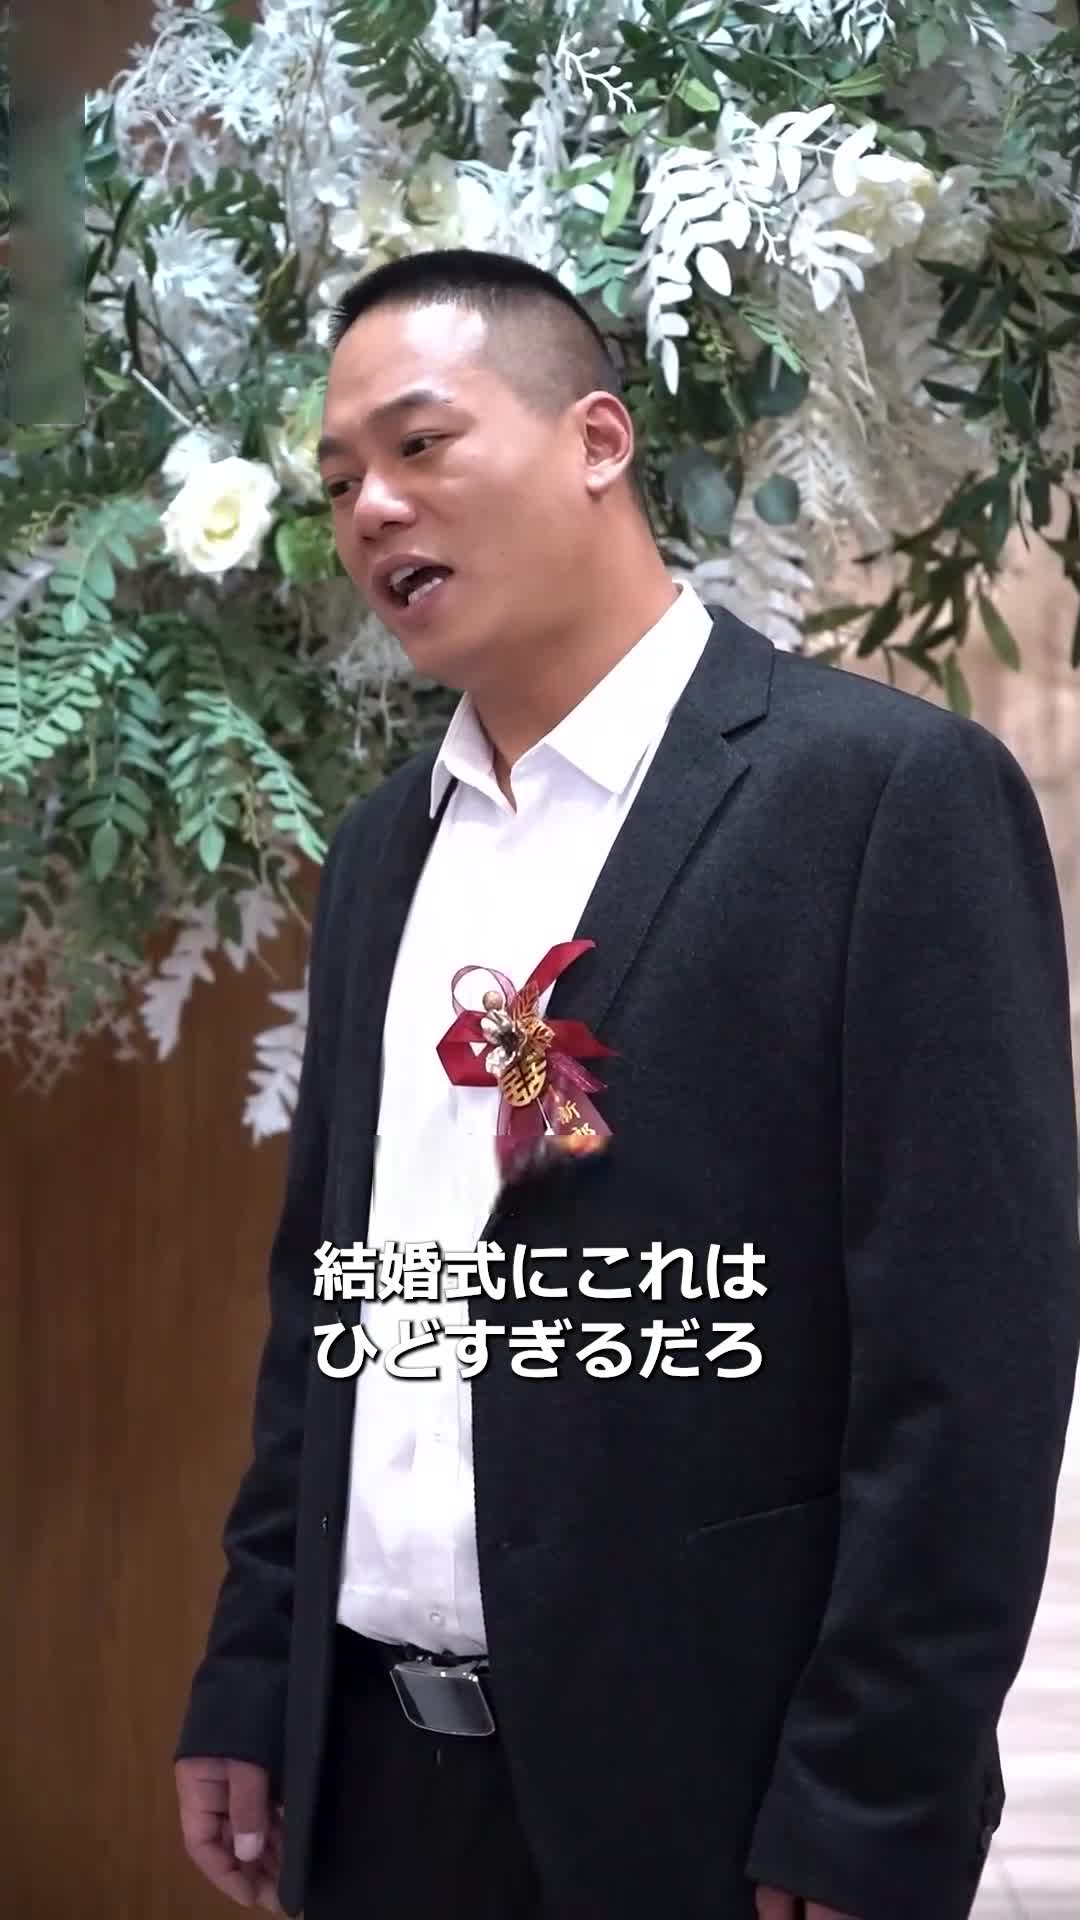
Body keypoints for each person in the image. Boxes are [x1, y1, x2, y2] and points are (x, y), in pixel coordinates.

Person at [173, 248, 1080, 1920]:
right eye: (340, 480)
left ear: (598, 440)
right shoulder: (382, 852)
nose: (374, 508)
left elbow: (973, 1366)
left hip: (717, 1796)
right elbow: (334, 1306)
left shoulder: (881, 799)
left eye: (420, 444)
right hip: (372, 1781)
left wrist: (870, 1797)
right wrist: (254, 1669)